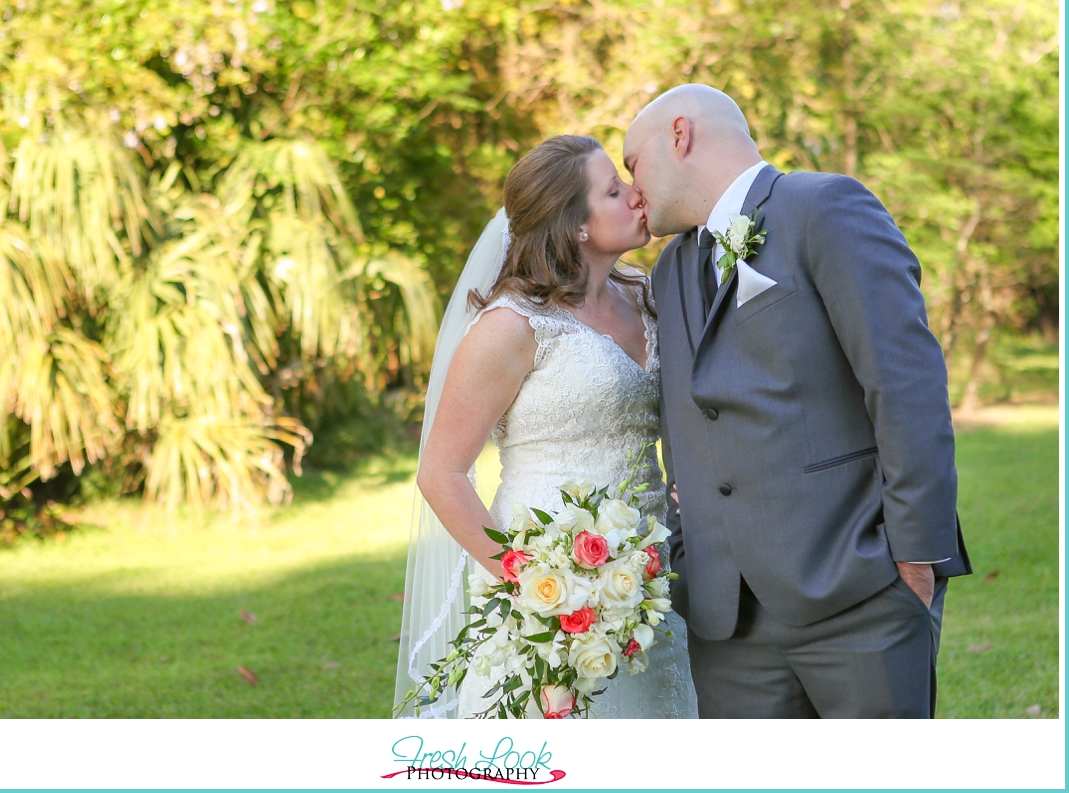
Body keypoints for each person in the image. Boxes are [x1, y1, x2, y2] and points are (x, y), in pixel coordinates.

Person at [624, 84, 972, 718]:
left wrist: (916, 562)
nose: (633, 190)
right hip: (726, 623)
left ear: (680, 135)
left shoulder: (824, 207)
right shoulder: (670, 268)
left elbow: (905, 385)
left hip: (859, 592)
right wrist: (684, 544)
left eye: (632, 164)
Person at [393, 135, 697, 719]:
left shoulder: (645, 295)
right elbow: (442, 472)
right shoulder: (511, 328)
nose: (637, 196)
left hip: (650, 582)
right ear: (576, 226)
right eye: (613, 190)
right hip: (552, 595)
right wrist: (532, 584)